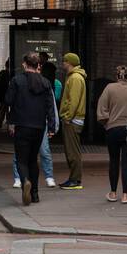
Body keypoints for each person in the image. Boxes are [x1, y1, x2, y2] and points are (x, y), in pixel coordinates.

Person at [6, 52, 58, 206]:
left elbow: (8, 100)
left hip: (22, 126)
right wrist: (51, 127)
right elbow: (50, 106)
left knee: (22, 160)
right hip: (39, 127)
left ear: (24, 64)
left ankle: (25, 182)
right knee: (33, 160)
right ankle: (34, 194)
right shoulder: (45, 82)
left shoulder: (17, 81)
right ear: (38, 66)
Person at [98, 65, 127, 204]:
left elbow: (102, 108)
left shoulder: (109, 88)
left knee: (114, 161)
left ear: (117, 77)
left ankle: (113, 192)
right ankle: (125, 195)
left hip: (113, 128)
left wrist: (106, 123)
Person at [57, 52, 88, 190]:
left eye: (64, 61)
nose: (63, 63)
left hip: (73, 120)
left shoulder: (75, 78)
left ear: (69, 63)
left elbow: (73, 101)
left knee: (72, 151)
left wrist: (67, 117)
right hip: (74, 119)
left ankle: (75, 180)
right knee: (72, 150)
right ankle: (73, 178)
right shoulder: (74, 77)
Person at [0, 59, 12, 128]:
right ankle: (3, 119)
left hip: (0, 93)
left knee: (2, 107)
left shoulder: (2, 72)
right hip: (6, 93)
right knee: (6, 108)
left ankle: (0, 118)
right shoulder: (9, 74)